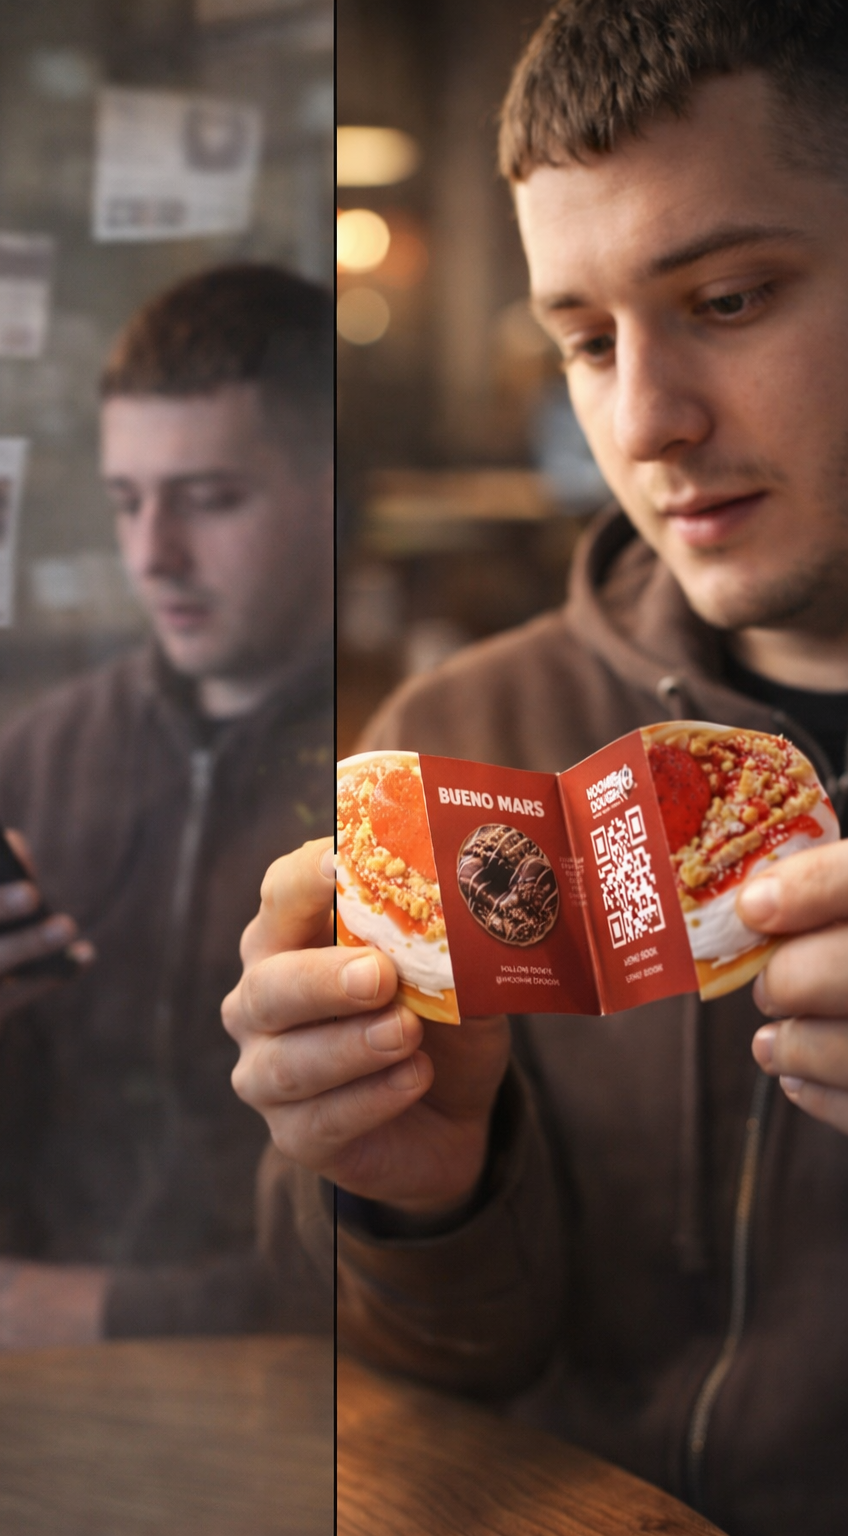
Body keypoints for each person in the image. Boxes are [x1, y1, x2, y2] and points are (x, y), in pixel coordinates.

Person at [223, 6, 848, 1533]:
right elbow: (378, 1383)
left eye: (731, 295)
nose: (643, 422)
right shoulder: (462, 742)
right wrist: (410, 1193)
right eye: (581, 338)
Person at [0, 264, 334, 1351]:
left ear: (327, 487)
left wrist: (130, 1317)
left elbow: (460, 1235)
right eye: (128, 501)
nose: (152, 554)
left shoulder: (406, 754)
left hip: (317, 1405)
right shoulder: (49, 751)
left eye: (210, 500)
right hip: (52, 1361)